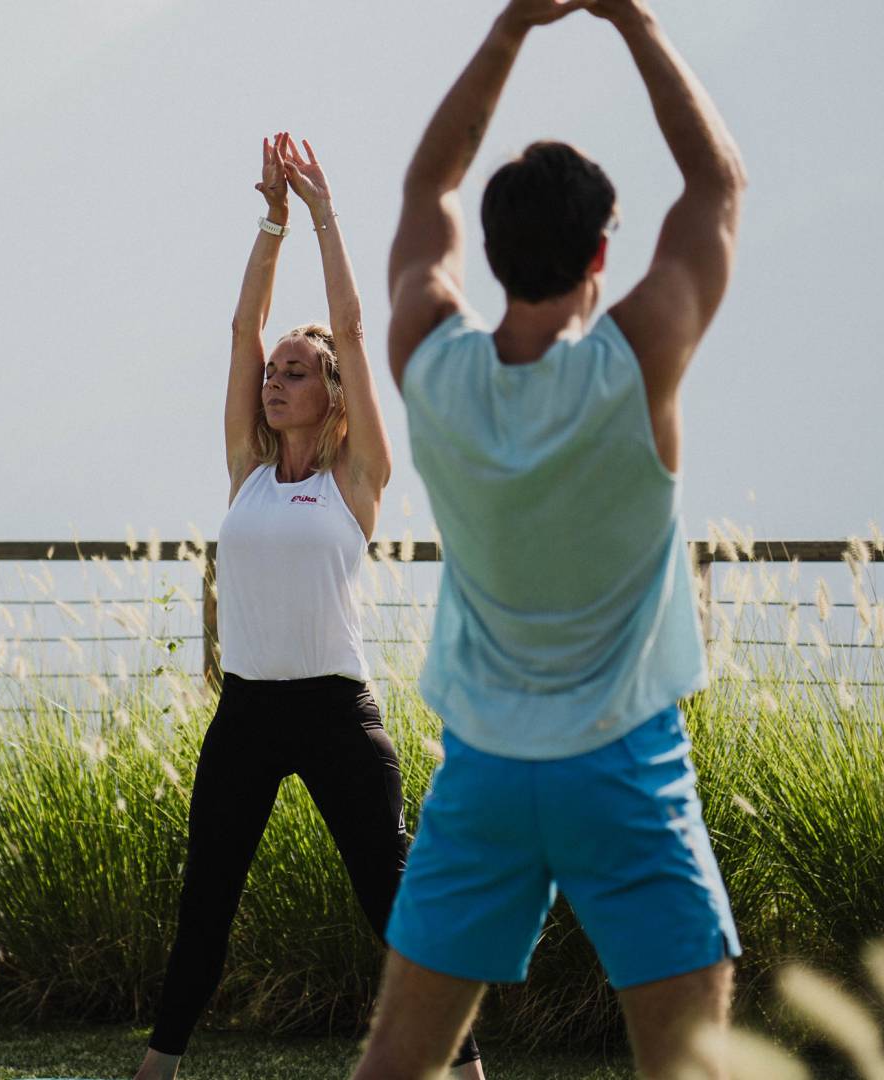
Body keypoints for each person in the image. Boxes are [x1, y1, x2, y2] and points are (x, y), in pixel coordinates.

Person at [350, 1, 748, 1078]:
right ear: (600, 255)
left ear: (487, 249)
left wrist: (509, 29)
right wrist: (627, 15)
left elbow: (423, 188)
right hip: (620, 763)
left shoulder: (426, 359)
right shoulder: (635, 362)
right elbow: (714, 186)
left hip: (483, 772)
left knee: (398, 1063)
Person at [132, 134, 484, 1080]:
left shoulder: (357, 479)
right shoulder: (246, 472)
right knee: (204, 908)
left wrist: (326, 218)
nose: (275, 379)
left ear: (333, 400)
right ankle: (156, 1070)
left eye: (296, 371)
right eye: (274, 372)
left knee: (396, 909)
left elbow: (353, 330)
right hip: (246, 713)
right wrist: (269, 223)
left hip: (335, 714)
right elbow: (241, 328)